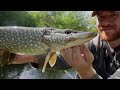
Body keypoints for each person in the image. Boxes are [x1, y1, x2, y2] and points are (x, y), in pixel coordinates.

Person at [1, 11, 120, 79]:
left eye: (114, 14)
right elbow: (65, 60)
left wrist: (85, 72)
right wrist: (30, 56)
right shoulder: (96, 43)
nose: (106, 22)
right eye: (102, 16)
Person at [60, 11, 120, 79]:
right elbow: (62, 60)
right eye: (101, 16)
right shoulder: (95, 42)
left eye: (113, 15)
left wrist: (85, 72)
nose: (105, 23)